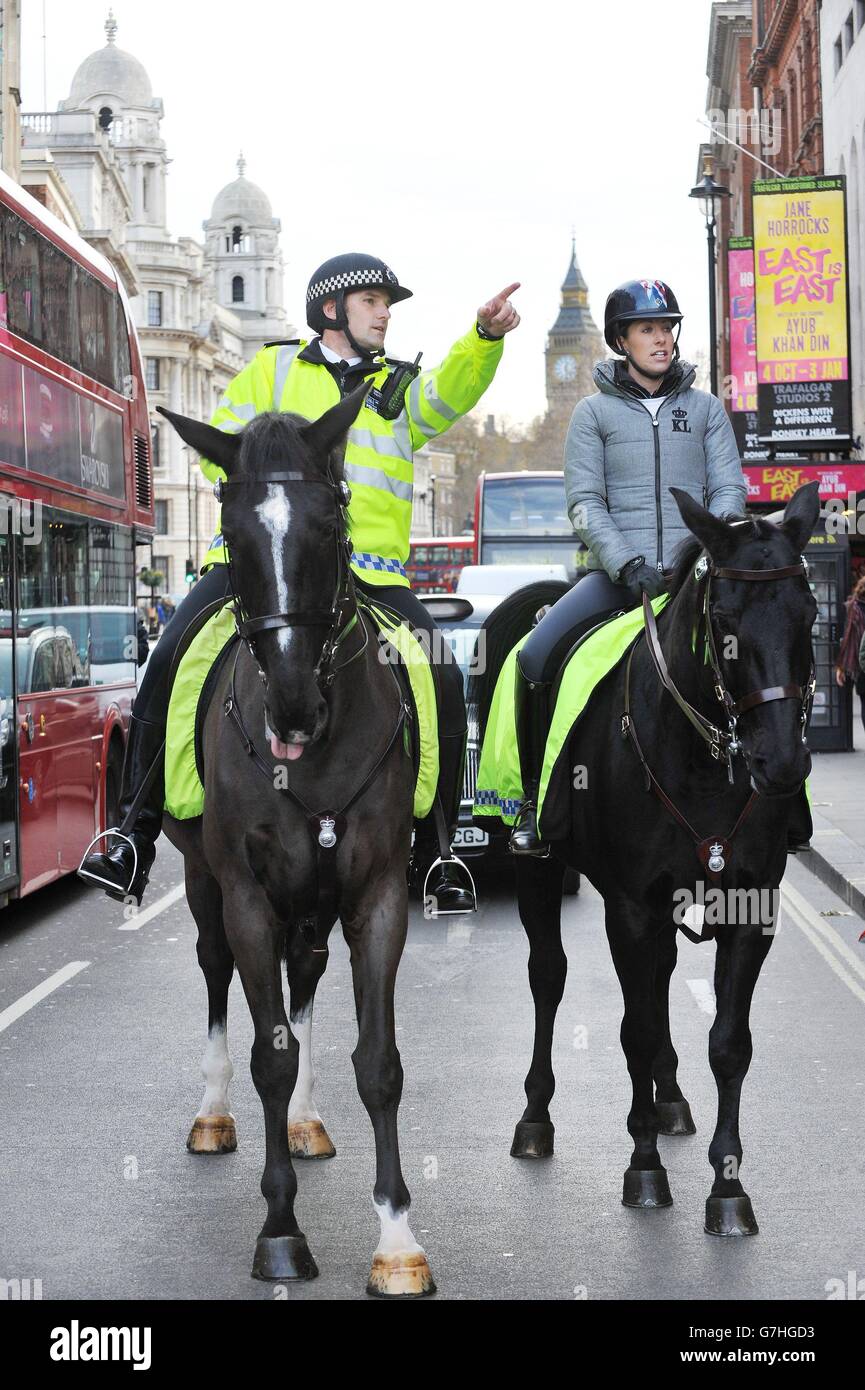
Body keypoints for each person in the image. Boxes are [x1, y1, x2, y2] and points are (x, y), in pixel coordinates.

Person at [80, 252, 521, 912]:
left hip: (370, 571)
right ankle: (131, 834)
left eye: (388, 305)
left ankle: (438, 852)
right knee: (170, 656)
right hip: (263, 568)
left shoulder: (399, 384)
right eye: (373, 301)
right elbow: (218, 456)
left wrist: (483, 339)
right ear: (331, 309)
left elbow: (451, 392)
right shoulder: (272, 370)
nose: (384, 314)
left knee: (444, 675)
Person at [510, 278, 747, 855]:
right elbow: (584, 503)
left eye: (667, 327)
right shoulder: (592, 415)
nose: (661, 338)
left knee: (766, 659)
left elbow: (729, 492)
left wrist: (703, 558)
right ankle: (534, 804)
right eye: (647, 329)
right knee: (535, 657)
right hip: (620, 579)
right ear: (621, 339)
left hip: (698, 580)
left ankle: (785, 804)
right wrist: (629, 563)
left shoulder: (707, 409)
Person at [836, 570, 865, 736]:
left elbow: (847, 640)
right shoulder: (853, 608)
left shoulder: (853, 609)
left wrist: (841, 667)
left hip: (860, 666)